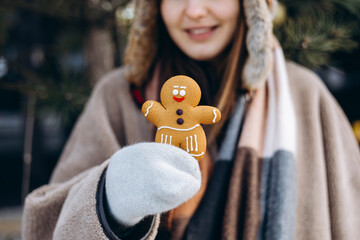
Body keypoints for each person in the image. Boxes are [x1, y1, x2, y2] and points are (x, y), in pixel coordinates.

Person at [22, 0, 360, 239]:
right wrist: (109, 201)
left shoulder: (304, 95)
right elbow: (48, 226)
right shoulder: (118, 96)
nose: (195, 10)